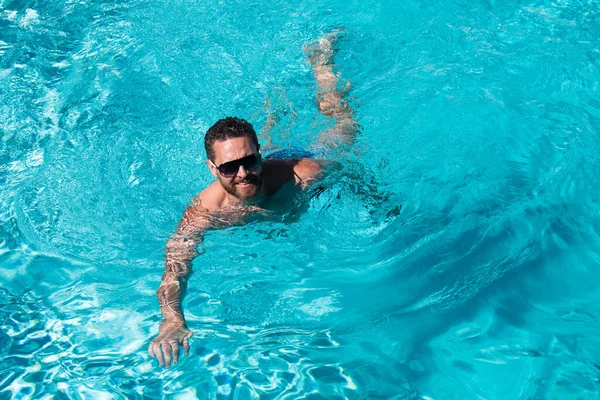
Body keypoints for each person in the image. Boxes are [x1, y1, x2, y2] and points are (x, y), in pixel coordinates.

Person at [148, 31, 359, 368]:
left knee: (346, 125)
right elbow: (174, 268)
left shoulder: (304, 173)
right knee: (276, 125)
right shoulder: (206, 212)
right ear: (213, 168)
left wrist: (378, 200)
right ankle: (273, 102)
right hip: (272, 167)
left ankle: (322, 63)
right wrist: (173, 320)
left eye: (249, 160)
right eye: (230, 167)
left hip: (292, 159)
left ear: (259, 155)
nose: (243, 172)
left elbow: (352, 171)